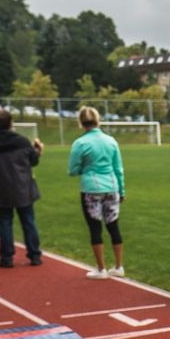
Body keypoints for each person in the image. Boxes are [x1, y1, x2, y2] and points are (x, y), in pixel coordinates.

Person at [67, 106, 125, 277]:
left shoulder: (80, 143)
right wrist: (122, 190)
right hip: (112, 187)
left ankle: (101, 269)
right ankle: (119, 266)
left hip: (91, 188)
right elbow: (118, 168)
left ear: (81, 122)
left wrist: (86, 168)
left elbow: (72, 170)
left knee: (95, 228)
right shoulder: (111, 141)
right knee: (113, 226)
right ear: (98, 120)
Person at [0, 108, 44, 267]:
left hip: (0, 188)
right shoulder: (22, 141)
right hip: (23, 187)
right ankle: (34, 255)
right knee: (28, 221)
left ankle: (7, 258)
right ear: (11, 122)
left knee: (5, 223)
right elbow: (33, 161)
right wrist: (38, 150)